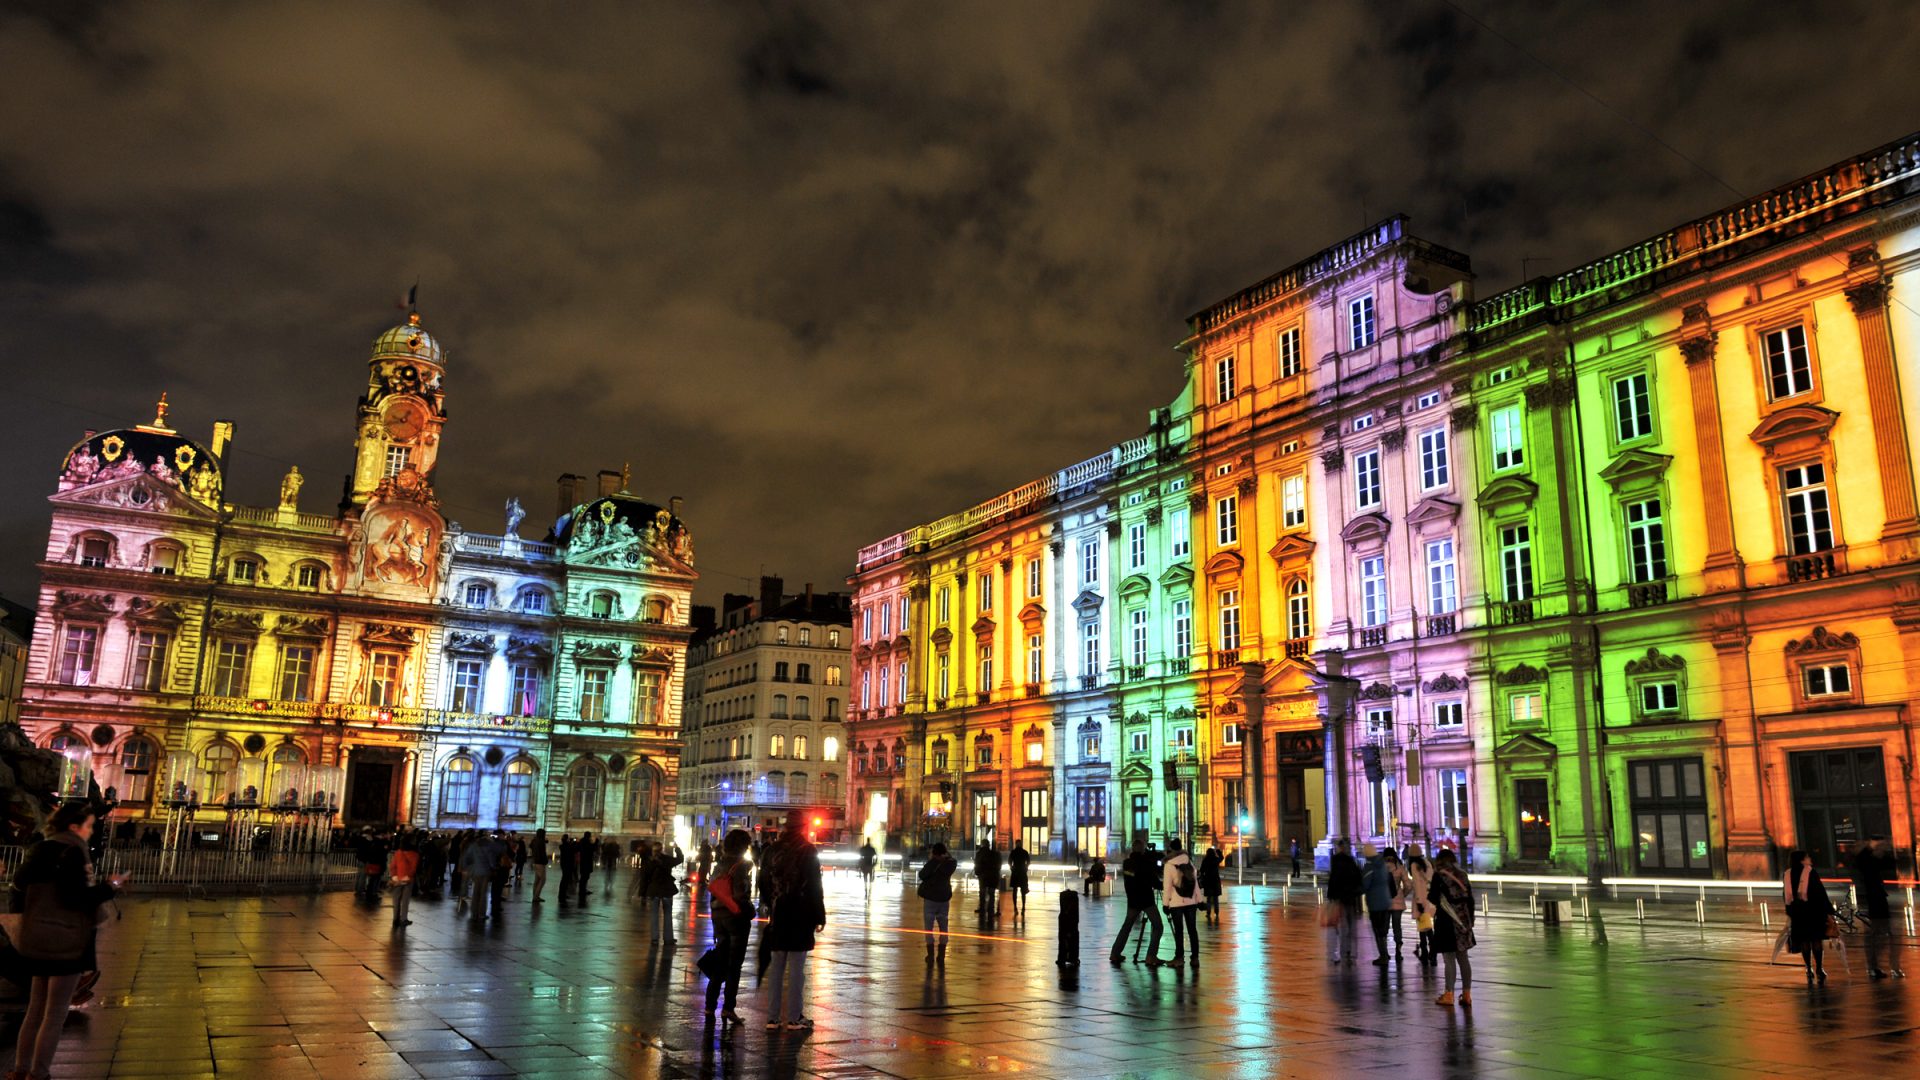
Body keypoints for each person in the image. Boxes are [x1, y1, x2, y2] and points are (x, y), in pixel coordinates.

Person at [9, 803, 129, 1080]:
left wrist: (24, 922)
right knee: (55, 1013)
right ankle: (39, 1074)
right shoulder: (72, 852)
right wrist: (111, 886)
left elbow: (17, 889)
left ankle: (19, 1070)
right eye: (88, 826)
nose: (90, 831)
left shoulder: (39, 848)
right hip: (66, 941)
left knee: (35, 1009)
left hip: (38, 938)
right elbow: (77, 899)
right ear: (74, 827)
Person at [763, 811, 825, 1032]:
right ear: (803, 827)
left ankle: (772, 1018)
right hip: (801, 913)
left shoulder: (771, 850)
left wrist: (770, 906)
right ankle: (794, 1017)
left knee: (777, 966)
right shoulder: (808, 850)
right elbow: (815, 886)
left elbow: (763, 882)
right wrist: (820, 915)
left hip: (779, 913)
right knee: (797, 968)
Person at [703, 830, 754, 1026]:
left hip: (718, 917)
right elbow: (740, 893)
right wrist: (750, 911)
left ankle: (709, 1005)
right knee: (734, 966)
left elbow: (714, 890)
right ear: (744, 846)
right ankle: (728, 1008)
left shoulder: (719, 864)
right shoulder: (741, 865)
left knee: (720, 962)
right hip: (735, 918)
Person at [1853, 836, 1905, 979]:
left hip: (1880, 900)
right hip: (1873, 902)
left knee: (1880, 936)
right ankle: (1878, 967)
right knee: (1877, 936)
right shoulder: (1864, 859)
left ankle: (1880, 967)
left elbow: (1888, 864)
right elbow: (1866, 863)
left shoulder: (1872, 859)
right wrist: (1871, 847)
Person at [1429, 848, 1475, 1006]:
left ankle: (1449, 994)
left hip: (1447, 921)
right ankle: (1467, 995)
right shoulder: (1462, 874)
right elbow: (1470, 898)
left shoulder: (1439, 875)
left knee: (1449, 960)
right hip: (1463, 920)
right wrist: (1471, 920)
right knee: (1463, 959)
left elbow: (1433, 897)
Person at [1110, 832, 1163, 965]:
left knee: (1126, 926)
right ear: (1142, 849)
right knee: (1158, 926)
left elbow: (1132, 878)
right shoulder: (1146, 863)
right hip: (1146, 900)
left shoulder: (1127, 863)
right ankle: (1151, 956)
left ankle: (1115, 953)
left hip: (1133, 900)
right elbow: (1155, 883)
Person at [1784, 848, 1835, 984]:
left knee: (1804, 941)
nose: (1810, 859)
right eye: (1807, 857)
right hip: (1813, 911)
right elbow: (1820, 892)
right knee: (1816, 940)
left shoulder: (1788, 874)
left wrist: (1789, 912)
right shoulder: (1810, 872)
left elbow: (1786, 895)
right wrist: (1829, 910)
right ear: (1802, 859)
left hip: (1797, 912)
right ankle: (1819, 968)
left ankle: (1808, 968)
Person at [1160, 837, 1201, 969]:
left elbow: (1167, 886)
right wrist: (1199, 900)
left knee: (1179, 931)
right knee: (1192, 930)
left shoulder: (1169, 864)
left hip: (1176, 902)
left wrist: (1165, 904)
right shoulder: (1189, 861)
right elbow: (1195, 884)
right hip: (1191, 901)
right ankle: (1195, 958)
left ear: (1170, 848)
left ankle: (1179, 958)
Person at [917, 842, 958, 967]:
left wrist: (933, 860)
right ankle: (941, 955)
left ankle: (930, 955)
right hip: (944, 899)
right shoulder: (950, 864)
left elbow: (922, 875)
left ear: (934, 853)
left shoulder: (933, 863)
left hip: (931, 899)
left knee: (929, 928)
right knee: (944, 928)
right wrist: (945, 855)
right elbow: (953, 860)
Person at [1325, 839, 1362, 964]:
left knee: (1341, 924)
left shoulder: (1336, 861)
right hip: (1350, 896)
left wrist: (1331, 895)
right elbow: (1358, 877)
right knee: (1350, 924)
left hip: (1340, 896)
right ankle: (1350, 950)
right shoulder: (1350, 861)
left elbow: (1333, 879)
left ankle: (1342, 950)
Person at [1360, 844, 1397, 966]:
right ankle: (1385, 953)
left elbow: (1365, 885)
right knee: (1384, 930)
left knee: (1378, 930)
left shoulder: (1369, 866)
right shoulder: (1382, 865)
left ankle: (1383, 955)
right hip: (1386, 901)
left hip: (1375, 903)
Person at [1404, 845, 1435, 967]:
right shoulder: (1427, 863)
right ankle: (1432, 954)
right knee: (1428, 927)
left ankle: (1425, 953)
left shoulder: (1414, 866)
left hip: (1421, 899)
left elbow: (1417, 885)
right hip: (1429, 899)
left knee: (1423, 929)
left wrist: (1418, 902)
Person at [647, 842, 684, 944]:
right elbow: (680, 859)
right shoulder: (667, 859)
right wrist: (677, 848)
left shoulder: (650, 861)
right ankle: (668, 938)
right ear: (662, 849)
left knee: (654, 914)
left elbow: (645, 877)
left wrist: (644, 892)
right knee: (667, 914)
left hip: (654, 890)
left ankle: (654, 938)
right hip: (667, 890)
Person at [460, 831, 496, 923]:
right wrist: (494, 867)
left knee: (475, 892)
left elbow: (466, 858)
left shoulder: (473, 845)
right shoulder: (489, 846)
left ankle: (473, 913)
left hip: (475, 871)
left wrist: (467, 867)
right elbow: (491, 861)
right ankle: (481, 914)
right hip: (485, 872)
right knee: (483, 893)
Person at [388, 835, 419, 928]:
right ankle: (403, 919)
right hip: (408, 880)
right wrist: (407, 876)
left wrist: (394, 876)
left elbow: (392, 866)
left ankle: (395, 918)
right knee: (405, 900)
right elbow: (413, 868)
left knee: (396, 899)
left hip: (397, 879)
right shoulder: (415, 854)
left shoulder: (398, 853)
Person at [974, 840, 1003, 922]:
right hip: (993, 877)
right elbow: (999, 865)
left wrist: (978, 873)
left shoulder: (980, 853)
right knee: (991, 894)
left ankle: (982, 908)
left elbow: (978, 864)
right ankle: (991, 910)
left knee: (982, 893)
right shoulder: (995, 854)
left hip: (983, 876)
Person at [1199, 844, 1224, 926]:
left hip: (1208, 881)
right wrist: (1218, 852)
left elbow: (1201, 870)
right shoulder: (1215, 859)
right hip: (1215, 881)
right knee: (1216, 898)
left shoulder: (1205, 860)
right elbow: (1221, 858)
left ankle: (1208, 912)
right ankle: (1216, 912)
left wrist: (1202, 877)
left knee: (1209, 898)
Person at [1008, 839, 1031, 920]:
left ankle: (1015, 907)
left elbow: (1009, 861)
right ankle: (1023, 907)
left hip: (1015, 872)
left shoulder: (1013, 852)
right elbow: (1028, 861)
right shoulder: (1024, 852)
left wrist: (1011, 868)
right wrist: (1026, 867)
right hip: (1022, 872)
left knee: (1015, 891)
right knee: (1023, 891)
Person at [530, 829, 550, 904]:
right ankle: (536, 896)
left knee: (537, 880)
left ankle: (535, 896)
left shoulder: (535, 841)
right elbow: (542, 853)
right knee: (542, 880)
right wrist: (545, 860)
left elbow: (531, 847)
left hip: (535, 861)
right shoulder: (541, 842)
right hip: (540, 862)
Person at [576, 831, 596, 903]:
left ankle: (583, 889)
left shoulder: (582, 841)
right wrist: (595, 842)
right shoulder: (586, 842)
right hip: (586, 861)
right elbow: (591, 849)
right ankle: (582, 890)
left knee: (584, 876)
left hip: (584, 861)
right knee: (585, 876)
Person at [558, 833, 576, 901]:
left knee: (565, 880)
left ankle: (562, 894)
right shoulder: (567, 846)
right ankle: (562, 894)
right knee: (565, 880)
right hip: (567, 864)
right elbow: (573, 850)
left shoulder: (563, 845)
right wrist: (572, 843)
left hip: (564, 864)